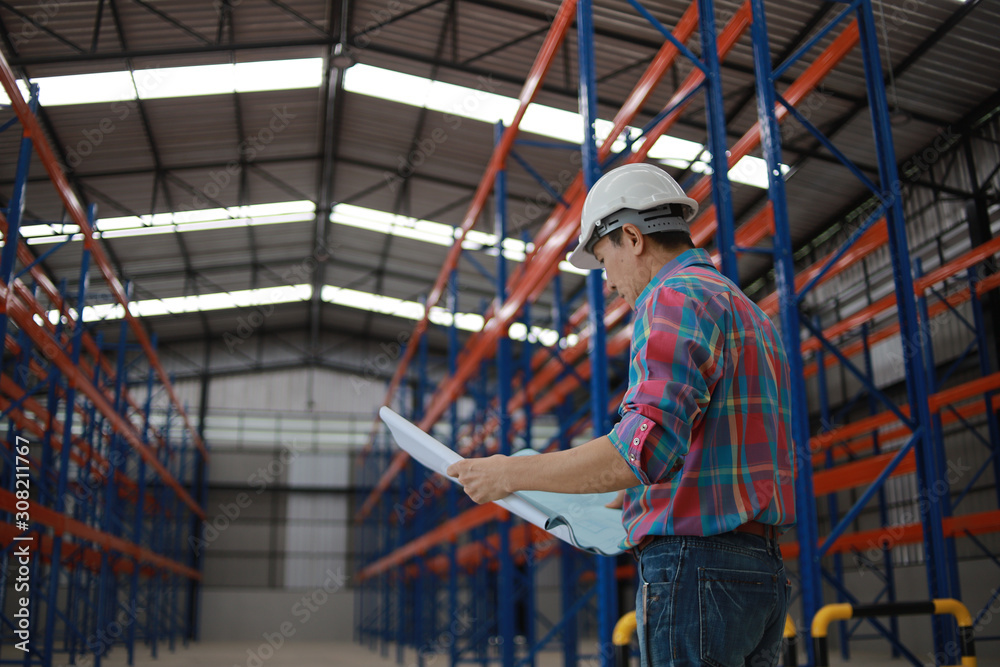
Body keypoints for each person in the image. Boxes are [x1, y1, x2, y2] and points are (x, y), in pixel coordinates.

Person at [446, 162, 796, 666]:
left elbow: (645, 449)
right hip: (758, 573)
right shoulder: (745, 310)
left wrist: (508, 473)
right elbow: (705, 445)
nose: (608, 282)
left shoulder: (672, 298)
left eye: (604, 258)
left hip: (695, 569)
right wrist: (627, 496)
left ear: (632, 237)